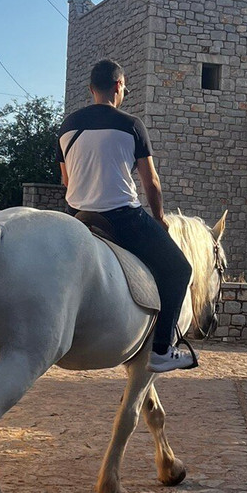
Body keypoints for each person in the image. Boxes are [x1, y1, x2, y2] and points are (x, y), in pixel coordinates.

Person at [57, 58, 197, 373]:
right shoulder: (132, 124)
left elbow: (66, 181)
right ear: (119, 86)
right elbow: (151, 182)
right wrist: (159, 218)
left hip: (77, 216)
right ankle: (162, 350)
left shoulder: (67, 126)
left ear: (91, 88)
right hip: (121, 218)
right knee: (178, 270)